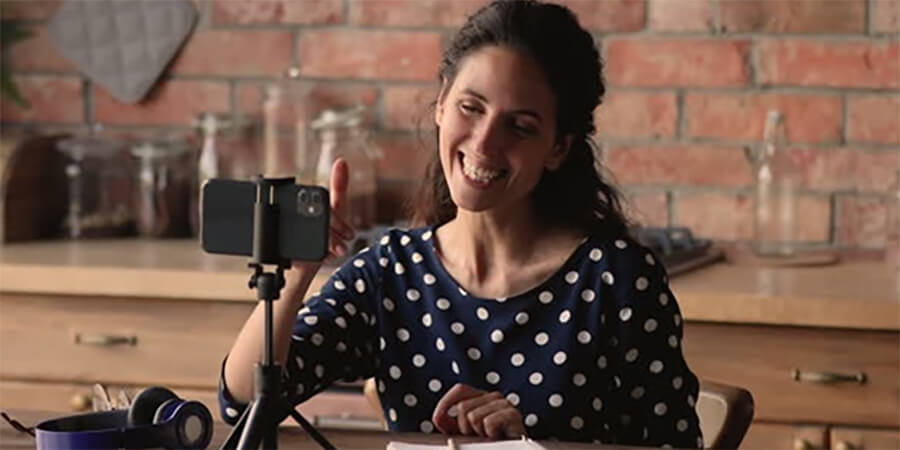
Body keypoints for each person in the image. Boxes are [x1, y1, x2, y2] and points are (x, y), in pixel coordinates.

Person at [219, 0, 703, 447]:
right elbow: (243, 399)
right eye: (471, 108)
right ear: (441, 105)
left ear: (558, 148)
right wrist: (298, 270)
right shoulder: (390, 271)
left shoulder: (617, 281)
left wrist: (525, 447)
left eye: (521, 126)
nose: (485, 144)